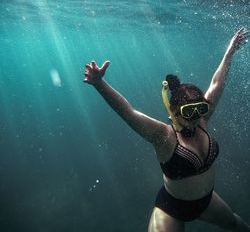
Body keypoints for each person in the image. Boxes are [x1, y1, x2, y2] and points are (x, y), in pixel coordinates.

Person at [84, 28, 250, 232]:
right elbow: (129, 113)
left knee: (235, 224)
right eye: (189, 112)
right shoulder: (163, 136)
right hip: (171, 209)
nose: (196, 118)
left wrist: (230, 51)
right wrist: (100, 84)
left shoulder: (202, 120)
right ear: (174, 112)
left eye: (201, 109)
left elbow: (217, 83)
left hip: (206, 201)